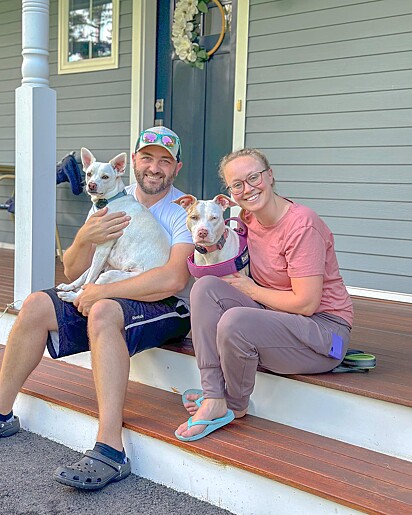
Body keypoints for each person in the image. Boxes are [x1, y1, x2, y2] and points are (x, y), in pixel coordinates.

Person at [0, 126, 194, 489]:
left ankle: (110, 449)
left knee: (103, 310)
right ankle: (1, 412)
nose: (154, 167)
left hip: (166, 305)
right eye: (147, 157)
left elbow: (173, 280)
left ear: (176, 168)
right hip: (108, 287)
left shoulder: (183, 209)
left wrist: (100, 292)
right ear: (132, 161)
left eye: (164, 161)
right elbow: (74, 269)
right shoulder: (108, 196)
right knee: (36, 303)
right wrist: (84, 237)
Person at [175, 148, 353, 442]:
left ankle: (234, 404)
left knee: (234, 321)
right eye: (237, 184)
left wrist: (251, 290)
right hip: (277, 320)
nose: (248, 188)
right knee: (204, 288)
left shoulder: (301, 225)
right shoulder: (248, 220)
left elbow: (306, 304)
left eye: (254, 177)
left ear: (270, 176)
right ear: (231, 193)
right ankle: (213, 395)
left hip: (326, 335)